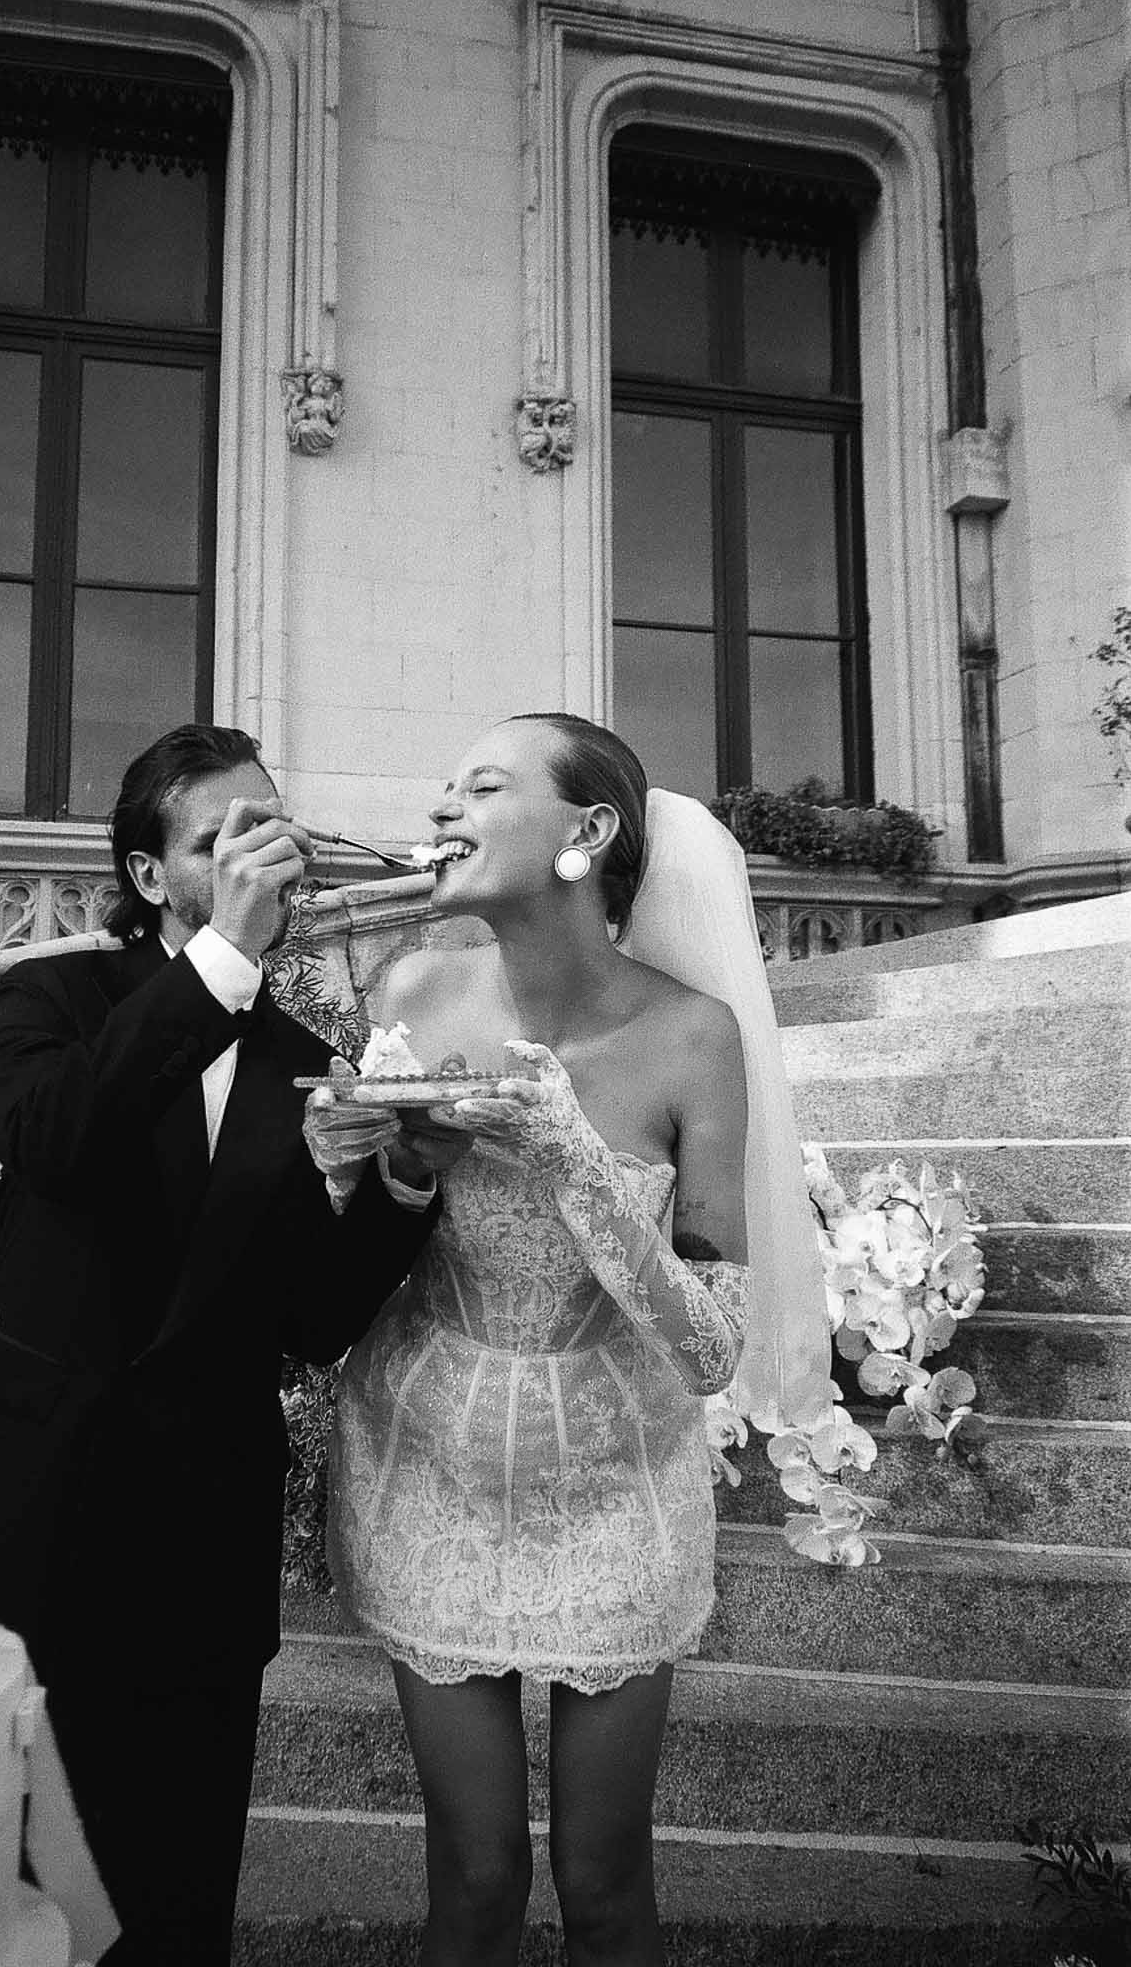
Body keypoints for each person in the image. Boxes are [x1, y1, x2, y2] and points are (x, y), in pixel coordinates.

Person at [306, 712, 831, 1967]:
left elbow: (711, 1343)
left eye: (481, 785)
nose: (441, 809)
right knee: (475, 1877)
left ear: (586, 833)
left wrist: (575, 1159)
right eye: (443, 785)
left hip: (614, 1480)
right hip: (424, 1459)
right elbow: (344, 1271)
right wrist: (359, 1173)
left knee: (603, 1884)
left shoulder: (693, 1036)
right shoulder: (413, 988)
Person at [0, 722, 452, 1965]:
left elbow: (308, 1318)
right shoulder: (54, 997)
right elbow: (51, 1140)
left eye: (273, 823)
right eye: (226, 836)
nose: (267, 852)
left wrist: (404, 1181)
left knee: (181, 1886)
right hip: (39, 1507)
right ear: (150, 877)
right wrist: (226, 956)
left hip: (201, 1521)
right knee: (8, 1864)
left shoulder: (310, 1065)